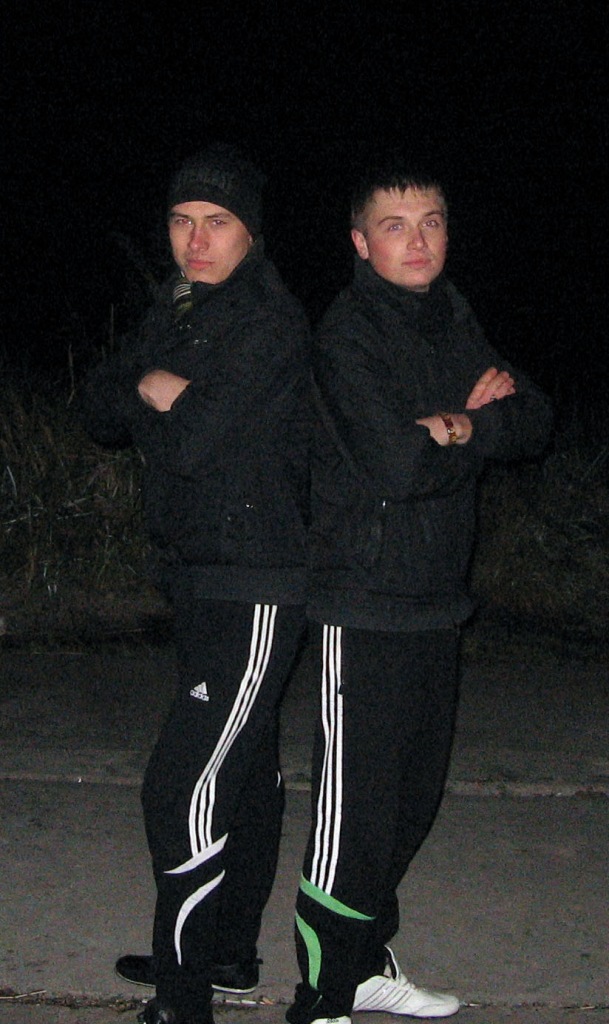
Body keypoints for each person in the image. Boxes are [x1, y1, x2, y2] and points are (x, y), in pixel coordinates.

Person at [287, 159, 552, 1024]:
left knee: (410, 806)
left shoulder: (452, 317)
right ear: (361, 243)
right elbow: (396, 466)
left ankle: (364, 965)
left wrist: (457, 425)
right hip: (362, 601)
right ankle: (320, 997)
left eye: (431, 221)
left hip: (438, 598)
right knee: (354, 819)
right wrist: (469, 425)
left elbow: (532, 419)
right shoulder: (346, 336)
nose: (416, 240)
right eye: (394, 226)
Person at [82, 143, 310, 1024]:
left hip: (254, 579)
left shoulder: (268, 323)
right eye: (182, 221)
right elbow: (99, 405)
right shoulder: (176, 310)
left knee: (179, 787)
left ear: (251, 233)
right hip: (197, 573)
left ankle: (183, 999)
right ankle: (223, 954)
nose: (196, 240)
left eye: (217, 222)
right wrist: (155, 384)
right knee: (244, 775)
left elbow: (197, 443)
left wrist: (168, 402)